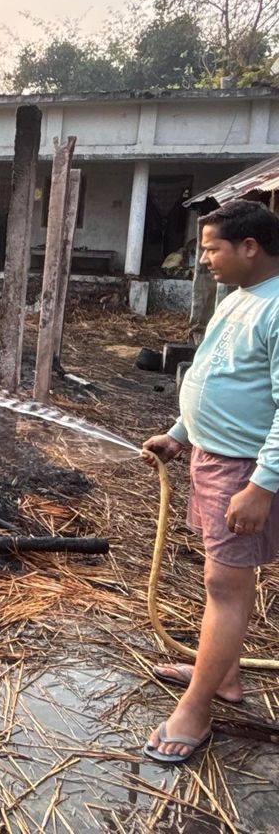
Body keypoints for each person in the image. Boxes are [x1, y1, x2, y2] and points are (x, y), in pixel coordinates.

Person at [141, 199, 279, 765]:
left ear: (250, 247)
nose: (204, 260)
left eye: (211, 248)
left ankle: (196, 711)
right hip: (212, 458)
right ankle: (222, 678)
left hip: (244, 469)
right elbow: (209, 372)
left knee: (225, 588)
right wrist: (179, 432)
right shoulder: (239, 298)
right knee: (227, 585)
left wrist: (262, 486)